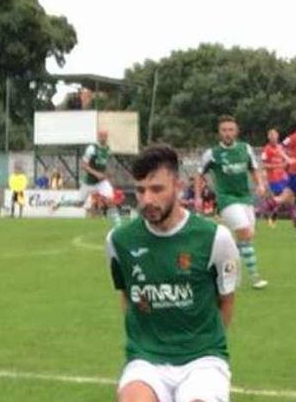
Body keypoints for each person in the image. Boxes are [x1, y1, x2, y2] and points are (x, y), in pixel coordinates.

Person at [106, 144, 239, 402]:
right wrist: (145, 340)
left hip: (202, 360)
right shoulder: (119, 241)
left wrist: (202, 344)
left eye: (157, 189)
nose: (146, 200)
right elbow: (126, 296)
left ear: (178, 187)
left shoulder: (215, 238)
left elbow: (227, 300)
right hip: (146, 360)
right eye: (140, 190)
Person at [200, 115, 268, 289]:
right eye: (224, 130)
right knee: (245, 233)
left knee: (247, 237)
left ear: (236, 131)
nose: (227, 133)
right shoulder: (212, 153)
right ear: (219, 133)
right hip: (226, 199)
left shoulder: (245, 149)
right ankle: (255, 278)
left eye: (230, 130)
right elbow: (200, 175)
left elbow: (254, 169)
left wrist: (260, 184)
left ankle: (219, 262)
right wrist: (198, 196)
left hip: (245, 198)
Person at [261, 128, 292, 228]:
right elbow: (264, 165)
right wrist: (278, 166)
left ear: (277, 136)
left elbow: (285, 161)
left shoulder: (280, 148)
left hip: (283, 177)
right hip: (274, 179)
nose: (273, 137)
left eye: (275, 135)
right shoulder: (266, 149)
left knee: (288, 197)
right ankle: (262, 211)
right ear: (268, 137)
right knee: (282, 199)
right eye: (271, 136)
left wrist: (288, 163)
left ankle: (271, 216)